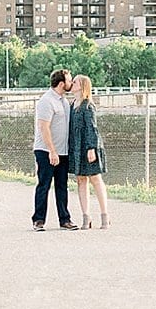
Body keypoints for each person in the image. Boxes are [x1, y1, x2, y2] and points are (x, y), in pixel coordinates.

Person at [31, 68, 78, 231]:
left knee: (61, 186)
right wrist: (52, 151)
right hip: (46, 150)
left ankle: (64, 219)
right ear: (61, 83)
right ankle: (38, 220)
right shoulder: (47, 101)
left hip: (62, 151)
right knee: (44, 184)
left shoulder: (64, 101)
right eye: (69, 80)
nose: (71, 83)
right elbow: (44, 127)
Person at [68, 74, 109, 229]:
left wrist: (91, 148)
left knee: (95, 179)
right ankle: (86, 216)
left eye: (75, 82)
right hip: (76, 147)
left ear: (83, 85)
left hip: (87, 146)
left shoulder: (87, 105)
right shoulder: (72, 105)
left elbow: (92, 127)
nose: (72, 83)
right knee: (81, 180)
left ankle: (105, 215)